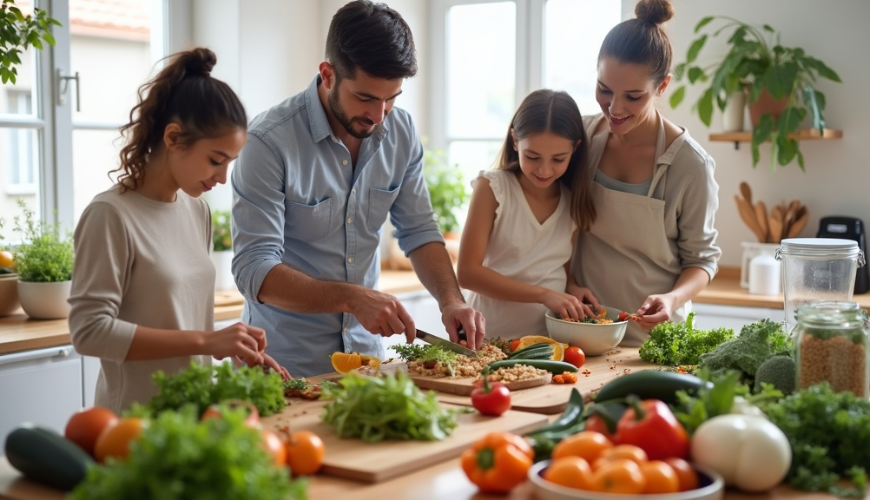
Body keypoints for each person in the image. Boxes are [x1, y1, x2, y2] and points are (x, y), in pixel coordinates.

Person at [231, 0, 484, 377]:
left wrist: (451, 300)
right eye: (365, 98)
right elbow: (254, 270)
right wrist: (353, 299)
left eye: (391, 98)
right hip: (282, 365)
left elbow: (419, 231)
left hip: (367, 364)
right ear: (328, 75)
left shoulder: (401, 132)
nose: (378, 116)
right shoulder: (268, 142)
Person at [69, 48, 289, 415]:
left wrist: (232, 347)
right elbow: (89, 331)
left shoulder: (196, 210)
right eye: (216, 160)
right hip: (134, 424)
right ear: (173, 137)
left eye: (230, 163)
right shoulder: (110, 215)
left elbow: (179, 320)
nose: (223, 178)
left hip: (192, 416)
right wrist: (207, 341)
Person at [568, 0, 722, 345]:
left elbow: (702, 260)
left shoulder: (691, 166)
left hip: (654, 340)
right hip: (582, 333)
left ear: (662, 86)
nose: (614, 108)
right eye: (604, 89)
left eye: (633, 97)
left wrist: (673, 298)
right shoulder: (581, 139)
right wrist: (567, 283)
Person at [457, 90, 599, 339]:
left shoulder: (572, 201)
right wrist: (543, 295)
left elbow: (561, 272)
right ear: (515, 141)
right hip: (488, 339)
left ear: (575, 149)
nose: (545, 170)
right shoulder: (493, 188)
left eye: (558, 159)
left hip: (548, 343)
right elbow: (468, 274)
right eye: (533, 157)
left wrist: (573, 289)